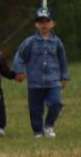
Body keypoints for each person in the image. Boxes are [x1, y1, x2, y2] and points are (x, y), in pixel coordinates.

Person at [12, 7, 71, 139]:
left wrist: (64, 77)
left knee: (56, 103)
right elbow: (20, 57)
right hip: (35, 82)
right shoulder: (30, 42)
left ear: (53, 23)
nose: (44, 24)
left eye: (47, 21)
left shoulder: (57, 42)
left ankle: (49, 126)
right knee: (35, 109)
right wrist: (19, 71)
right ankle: (37, 131)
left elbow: (63, 60)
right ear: (36, 24)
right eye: (40, 22)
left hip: (53, 81)